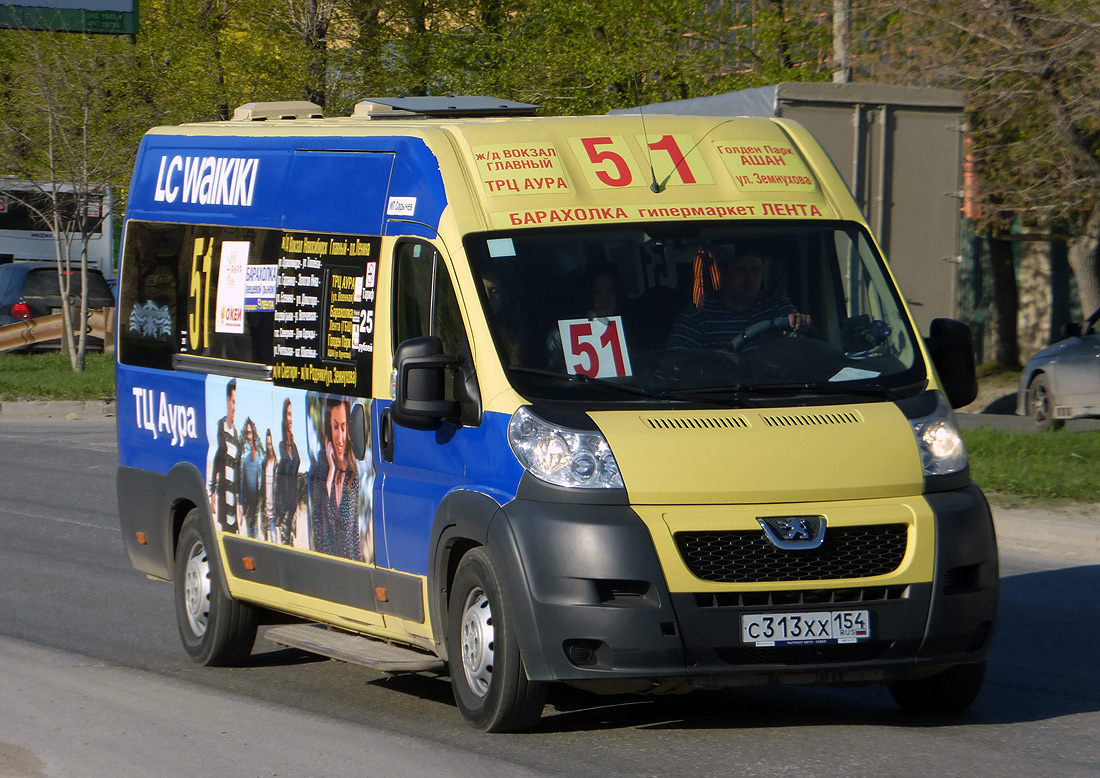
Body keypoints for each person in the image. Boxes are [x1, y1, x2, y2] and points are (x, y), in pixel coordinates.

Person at [666, 247, 811, 350]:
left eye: (756, 270)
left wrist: (800, 325)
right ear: (723, 274)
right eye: (740, 271)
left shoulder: (777, 303)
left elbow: (796, 342)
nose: (750, 278)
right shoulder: (699, 313)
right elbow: (677, 360)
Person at [309, 397, 362, 561]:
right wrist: (331, 472)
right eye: (335, 427)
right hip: (325, 565)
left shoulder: (354, 475)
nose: (340, 438)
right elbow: (320, 526)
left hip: (350, 566)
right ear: (329, 430)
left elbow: (353, 535)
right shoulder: (322, 470)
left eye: (344, 428)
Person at [209, 379, 241, 533]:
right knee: (226, 532)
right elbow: (216, 460)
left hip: (234, 499)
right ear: (228, 400)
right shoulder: (220, 427)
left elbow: (239, 468)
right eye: (233, 402)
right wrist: (212, 492)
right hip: (223, 495)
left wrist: (240, 501)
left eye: (237, 403)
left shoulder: (237, 432)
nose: (235, 408)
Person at [275, 398, 301, 547]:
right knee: (285, 544)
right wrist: (281, 508)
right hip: (284, 508)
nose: (290, 419)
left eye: (291, 415)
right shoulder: (281, 446)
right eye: (288, 414)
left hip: (293, 508)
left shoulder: (295, 446)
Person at [239, 419, 262, 539]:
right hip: (249, 507)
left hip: (260, 506)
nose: (249, 436)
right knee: (250, 536)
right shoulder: (245, 458)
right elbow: (242, 484)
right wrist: (241, 504)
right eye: (247, 433)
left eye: (250, 433)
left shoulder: (260, 456)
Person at [261, 428, 277, 542]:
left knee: (275, 540)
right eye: (267, 444)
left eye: (271, 444)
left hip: (275, 514)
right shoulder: (265, 463)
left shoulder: (278, 463)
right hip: (266, 513)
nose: (269, 447)